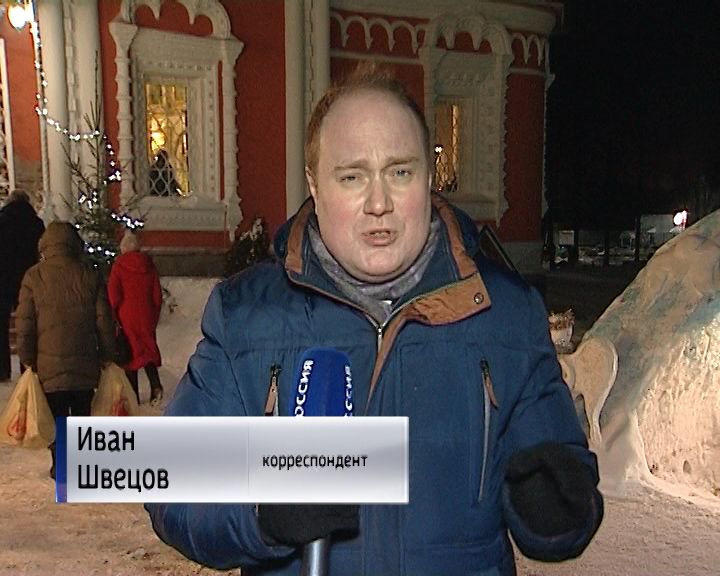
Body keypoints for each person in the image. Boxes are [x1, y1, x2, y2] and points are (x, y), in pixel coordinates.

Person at [145, 65, 603, 575]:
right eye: (352, 176)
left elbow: (560, 479)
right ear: (315, 185)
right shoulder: (246, 316)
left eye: (400, 172)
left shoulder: (507, 314)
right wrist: (260, 515)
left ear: (428, 177)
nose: (379, 203)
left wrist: (559, 509)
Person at [15, 221, 116, 479]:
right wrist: (108, 353)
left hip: (48, 365)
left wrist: (27, 358)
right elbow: (104, 320)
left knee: (56, 416)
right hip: (84, 361)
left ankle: (60, 465)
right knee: (81, 414)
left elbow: (25, 324)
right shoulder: (89, 275)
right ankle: (81, 464)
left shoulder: (34, 277)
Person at [107, 230, 164, 405]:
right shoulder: (149, 266)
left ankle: (133, 395)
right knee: (147, 351)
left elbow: (114, 295)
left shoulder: (119, 266)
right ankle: (155, 385)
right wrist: (153, 314)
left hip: (127, 316)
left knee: (131, 355)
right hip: (146, 315)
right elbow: (157, 295)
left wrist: (114, 313)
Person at [0, 190, 45, 382]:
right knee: (27, 324)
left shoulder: (1, 221)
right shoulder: (36, 223)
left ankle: (2, 370)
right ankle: (27, 367)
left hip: (3, 278)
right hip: (28, 278)